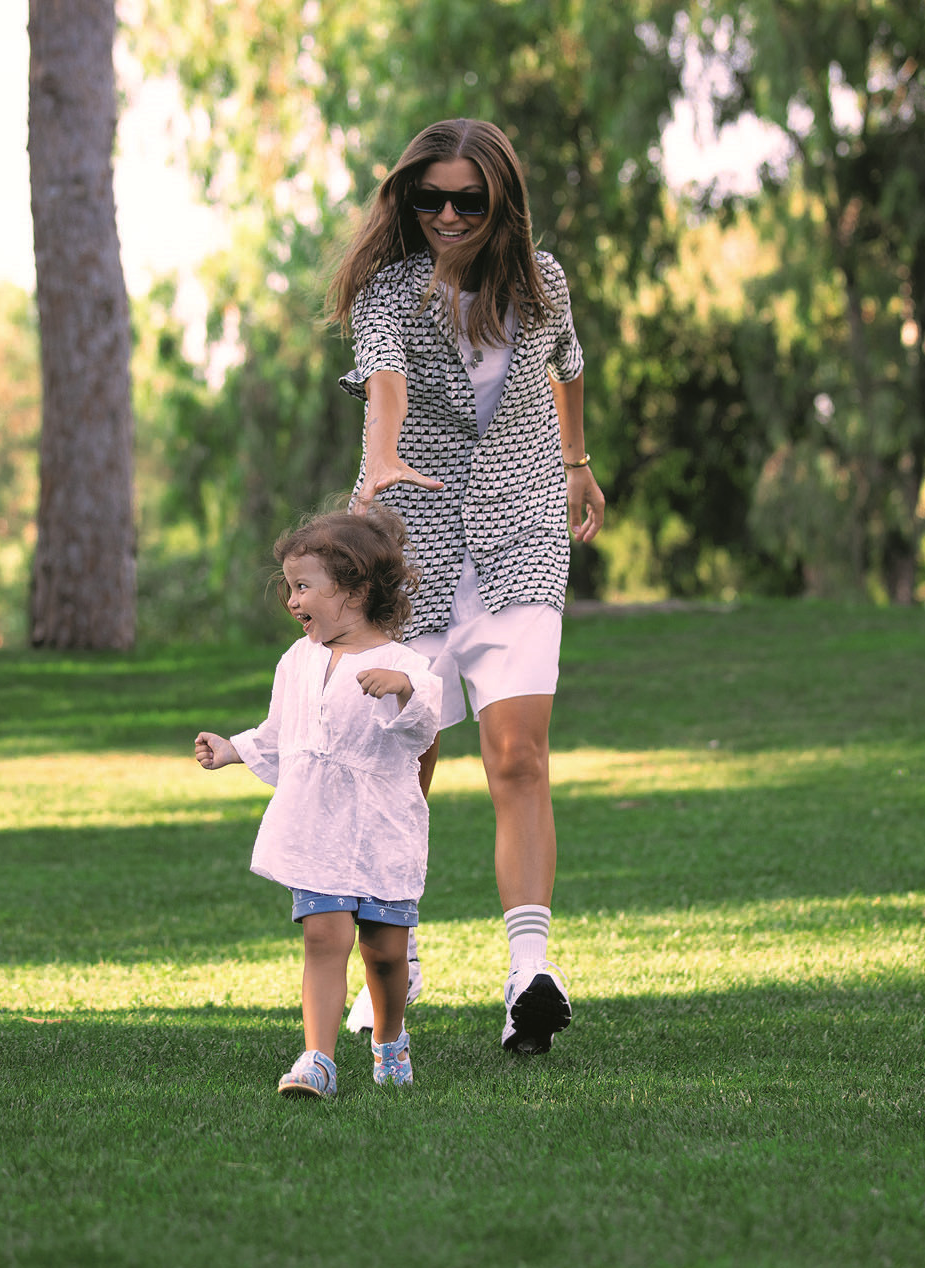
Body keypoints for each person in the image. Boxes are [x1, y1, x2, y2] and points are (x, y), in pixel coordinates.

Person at [324, 118, 606, 1054]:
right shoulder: (387, 293)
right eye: (429, 198)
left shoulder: (543, 282)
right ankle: (392, 964)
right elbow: (385, 385)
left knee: (517, 755)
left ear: (501, 202)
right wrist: (380, 461)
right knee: (400, 762)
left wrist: (575, 465)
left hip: (522, 536)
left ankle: (529, 973)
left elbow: (568, 366)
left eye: (468, 200)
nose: (446, 215)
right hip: (415, 545)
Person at [195, 510, 442, 1099]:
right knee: (323, 939)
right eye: (289, 587)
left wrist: (404, 689)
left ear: (354, 590)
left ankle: (389, 1040)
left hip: (382, 829)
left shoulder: (406, 664)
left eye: (303, 586)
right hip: (317, 828)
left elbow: (425, 726)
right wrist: (233, 750)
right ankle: (317, 1059)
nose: (292, 601)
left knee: (385, 953)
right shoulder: (297, 660)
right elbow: (283, 733)